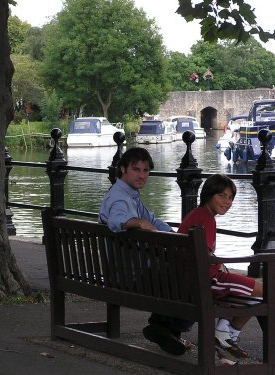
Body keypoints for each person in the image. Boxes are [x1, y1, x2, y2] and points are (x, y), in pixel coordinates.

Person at [99, 147, 193, 356]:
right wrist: (139, 223)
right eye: (136, 170)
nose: (142, 175)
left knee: (183, 270)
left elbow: (151, 218)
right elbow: (116, 221)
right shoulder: (120, 199)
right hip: (130, 275)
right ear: (123, 169)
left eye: (146, 170)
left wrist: (174, 234)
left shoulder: (129, 194)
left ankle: (164, 328)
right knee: (192, 277)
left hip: (128, 269)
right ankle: (165, 327)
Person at [178, 174, 264, 364]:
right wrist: (220, 263)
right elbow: (205, 258)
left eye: (230, 197)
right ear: (209, 194)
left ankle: (225, 339)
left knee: (255, 292)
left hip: (189, 280)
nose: (227, 202)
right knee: (265, 292)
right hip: (207, 282)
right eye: (222, 195)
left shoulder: (196, 214)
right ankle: (225, 335)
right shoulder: (206, 219)